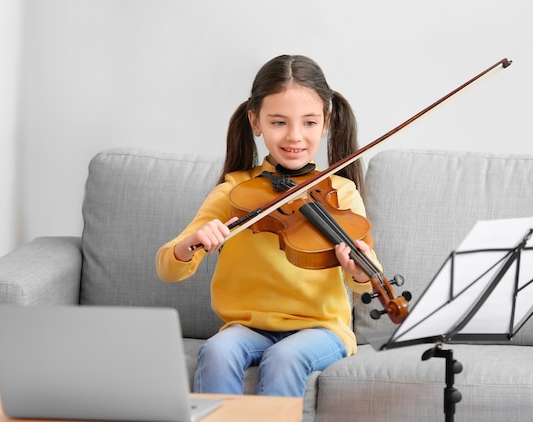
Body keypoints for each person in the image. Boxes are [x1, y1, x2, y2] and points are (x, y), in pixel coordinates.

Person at [155, 54, 381, 397]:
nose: (295, 136)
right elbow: (168, 266)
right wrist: (193, 243)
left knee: (284, 357)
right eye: (278, 122)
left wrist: (360, 270)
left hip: (321, 329)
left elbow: (369, 278)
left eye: (308, 122)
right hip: (248, 327)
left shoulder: (339, 191)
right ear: (256, 122)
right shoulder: (236, 191)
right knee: (217, 351)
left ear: (326, 122)